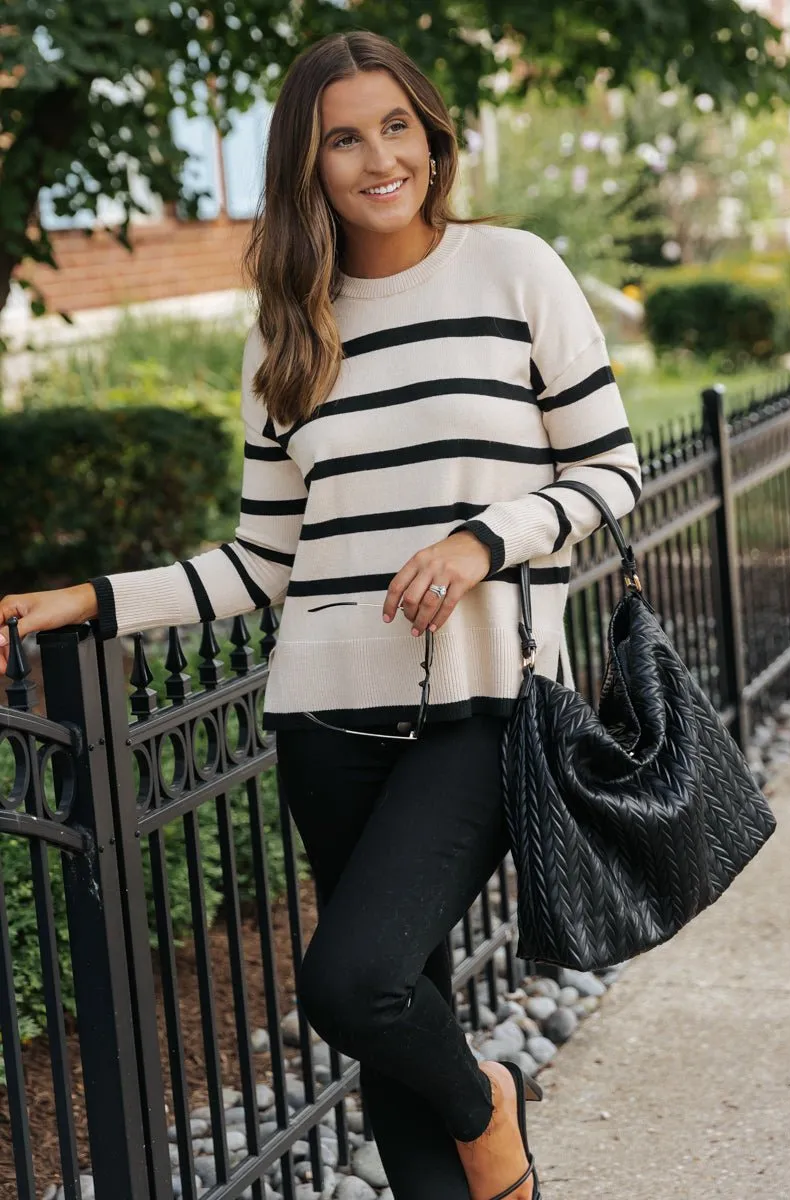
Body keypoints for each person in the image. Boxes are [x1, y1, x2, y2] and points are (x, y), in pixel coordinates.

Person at [0, 30, 642, 1200]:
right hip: (326, 727)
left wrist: (478, 539)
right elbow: (262, 562)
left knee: (353, 983)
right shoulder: (286, 329)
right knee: (400, 1010)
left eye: (395, 126)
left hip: (477, 712)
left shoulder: (513, 271)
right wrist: (88, 598)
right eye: (343, 137)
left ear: (431, 136)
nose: (376, 158)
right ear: (307, 162)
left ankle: (487, 1106)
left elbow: (608, 475)